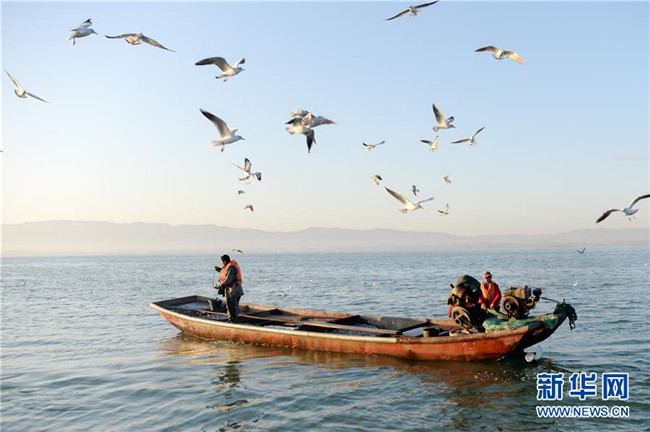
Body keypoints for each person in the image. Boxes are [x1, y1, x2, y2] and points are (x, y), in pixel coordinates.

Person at [214, 254, 244, 323]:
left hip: (233, 290)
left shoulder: (231, 268)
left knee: (231, 307)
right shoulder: (229, 266)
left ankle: (233, 322)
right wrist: (219, 270)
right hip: (236, 289)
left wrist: (218, 285)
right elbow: (226, 273)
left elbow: (228, 280)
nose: (222, 263)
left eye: (222, 261)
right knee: (234, 307)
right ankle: (234, 321)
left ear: (224, 261)